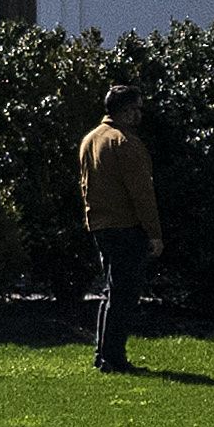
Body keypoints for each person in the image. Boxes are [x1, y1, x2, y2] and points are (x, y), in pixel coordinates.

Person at [74, 95, 163, 369]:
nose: (140, 114)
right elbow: (142, 193)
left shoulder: (91, 139)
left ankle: (103, 354)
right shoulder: (124, 142)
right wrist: (154, 232)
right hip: (126, 226)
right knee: (124, 294)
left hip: (101, 225)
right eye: (137, 108)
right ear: (126, 111)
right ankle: (113, 358)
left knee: (111, 292)